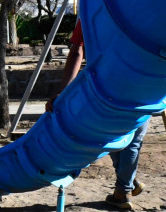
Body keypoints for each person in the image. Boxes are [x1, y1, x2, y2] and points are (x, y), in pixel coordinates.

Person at [46, 20, 150, 210]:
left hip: (106, 85)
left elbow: (77, 50)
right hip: (144, 78)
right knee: (132, 139)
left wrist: (65, 91)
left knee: (111, 135)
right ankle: (124, 187)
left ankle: (124, 188)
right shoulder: (142, 1)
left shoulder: (93, 3)